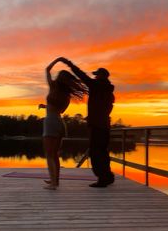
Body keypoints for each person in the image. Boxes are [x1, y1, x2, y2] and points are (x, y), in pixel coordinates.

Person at [59, 57, 115, 187]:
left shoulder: (96, 86)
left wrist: (68, 63)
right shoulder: (109, 90)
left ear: (100, 76)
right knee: (103, 151)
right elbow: (109, 107)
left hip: (97, 125)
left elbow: (81, 75)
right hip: (105, 125)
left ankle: (102, 179)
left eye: (96, 75)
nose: (94, 78)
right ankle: (108, 176)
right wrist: (99, 115)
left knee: (95, 153)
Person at [39, 58, 86, 190]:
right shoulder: (66, 95)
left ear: (59, 79)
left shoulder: (53, 87)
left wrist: (57, 60)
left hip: (51, 122)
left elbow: (47, 69)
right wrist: (45, 106)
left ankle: (53, 183)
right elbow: (59, 109)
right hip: (60, 123)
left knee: (49, 155)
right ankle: (55, 180)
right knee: (54, 154)